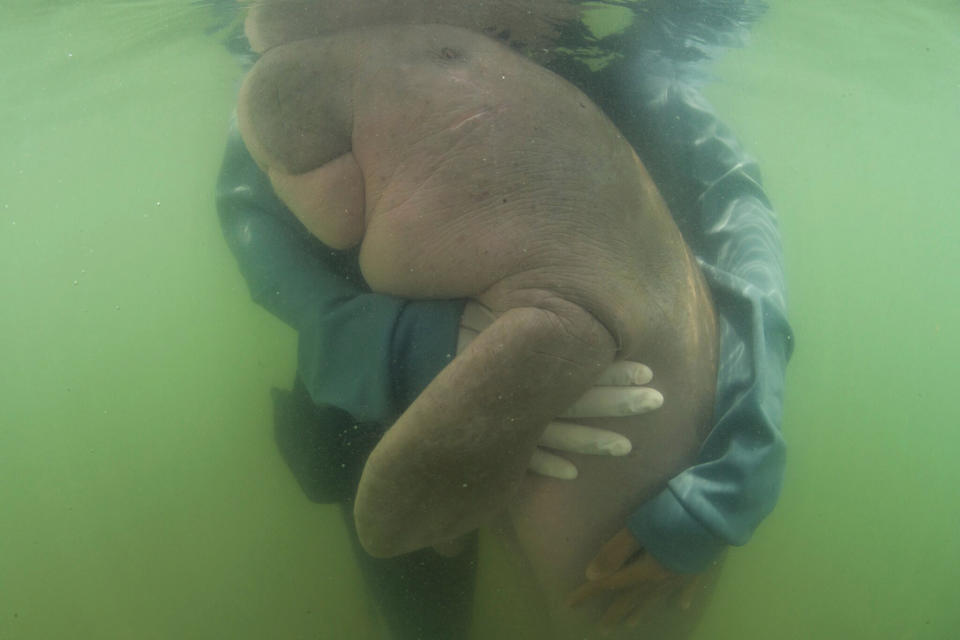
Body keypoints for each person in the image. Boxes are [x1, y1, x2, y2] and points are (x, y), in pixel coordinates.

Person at [215, 1, 793, 637]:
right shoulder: (292, 81)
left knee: (617, 600)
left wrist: (726, 483)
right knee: (424, 619)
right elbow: (275, 270)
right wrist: (417, 351)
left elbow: (743, 230)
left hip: (616, 392)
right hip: (376, 413)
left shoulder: (625, 75)